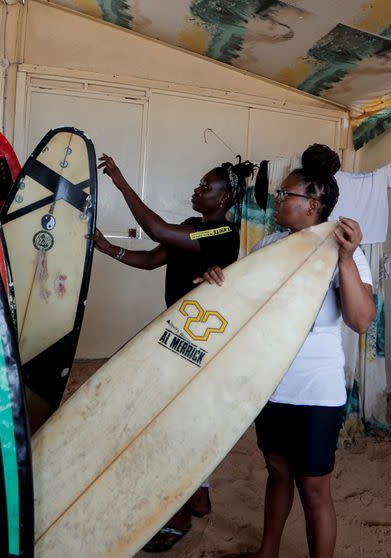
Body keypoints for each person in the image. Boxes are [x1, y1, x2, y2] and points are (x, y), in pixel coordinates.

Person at [196, 148, 376, 558]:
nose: (276, 200)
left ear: (312, 205)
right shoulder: (271, 244)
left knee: (314, 489)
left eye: (284, 194)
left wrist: (346, 258)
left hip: (315, 391)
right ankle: (267, 552)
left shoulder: (344, 252)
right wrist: (218, 279)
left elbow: (361, 321)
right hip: (270, 384)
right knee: (277, 472)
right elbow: (245, 300)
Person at [89, 153, 255, 553]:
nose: (197, 191)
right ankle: (199, 497)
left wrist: (121, 181)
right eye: (199, 185)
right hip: (175, 337)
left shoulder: (221, 235)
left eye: (206, 187)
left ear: (226, 197)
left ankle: (178, 509)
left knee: (176, 424)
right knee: (181, 419)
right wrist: (106, 247)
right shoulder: (193, 228)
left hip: (199, 344)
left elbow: (156, 230)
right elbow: (151, 259)